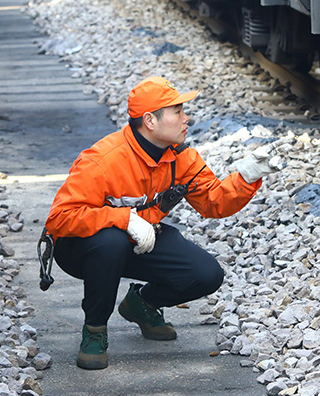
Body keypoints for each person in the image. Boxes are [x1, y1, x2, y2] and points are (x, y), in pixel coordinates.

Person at [44, 76, 283, 370]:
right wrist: (123, 218)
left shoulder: (182, 158)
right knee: (110, 242)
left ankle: (141, 304)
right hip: (83, 248)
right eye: (178, 111)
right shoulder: (103, 160)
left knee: (206, 274)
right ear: (150, 121)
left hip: (140, 240)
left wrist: (246, 177)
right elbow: (59, 219)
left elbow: (214, 203)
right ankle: (94, 332)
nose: (187, 118)